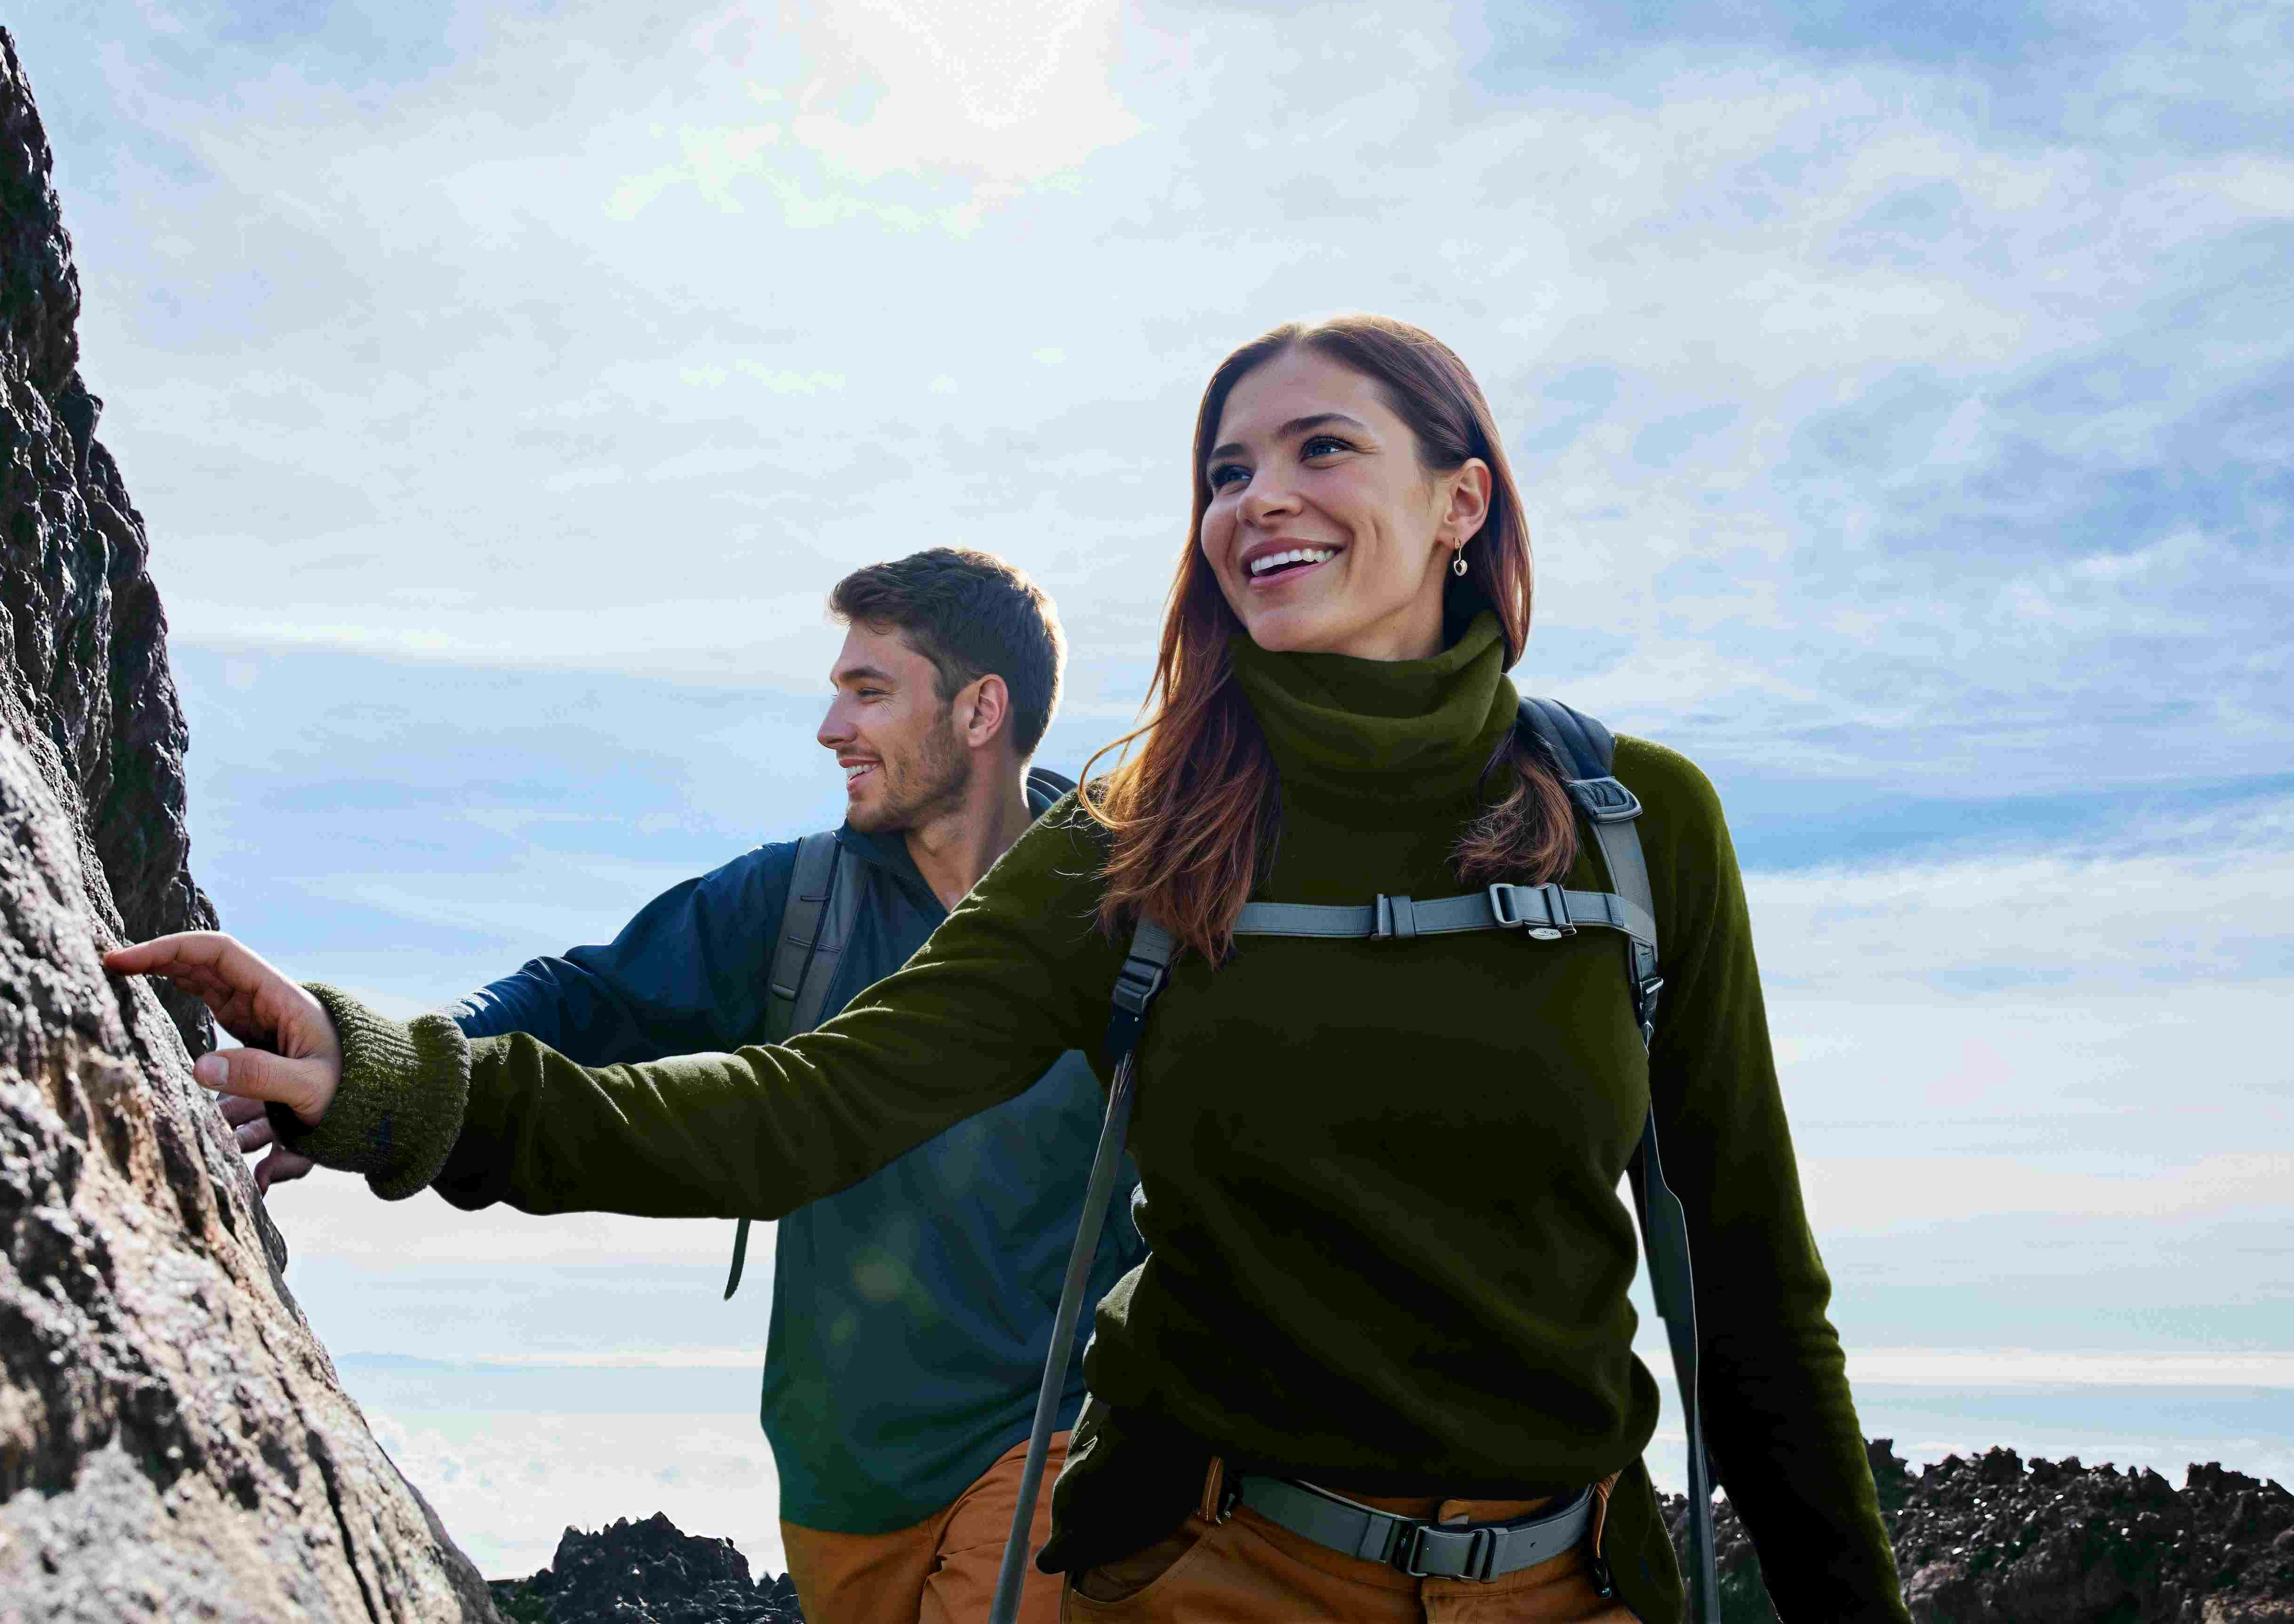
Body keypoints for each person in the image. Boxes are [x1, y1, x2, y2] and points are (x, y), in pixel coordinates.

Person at [115, 318, 1909, 1623]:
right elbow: (807, 1103)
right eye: (1222, 469)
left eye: (1317, 448)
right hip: (1210, 1573)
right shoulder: (1144, 832)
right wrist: (390, 1080)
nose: (1254, 498)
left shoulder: (1630, 826)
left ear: (1462, 498)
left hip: (1565, 1585)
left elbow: (1748, 1285)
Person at [157, 548, 1138, 1624]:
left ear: (980, 710)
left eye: (869, 691)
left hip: (1051, 1446)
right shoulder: (794, 901)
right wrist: (375, 1066)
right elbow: (582, 999)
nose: (829, 728)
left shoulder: (1124, 904)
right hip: (841, 1487)